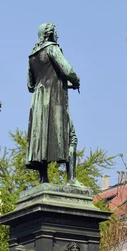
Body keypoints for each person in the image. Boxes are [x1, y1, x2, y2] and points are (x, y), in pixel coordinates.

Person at [26, 22, 81, 185]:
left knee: (41, 139)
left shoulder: (32, 56)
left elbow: (30, 85)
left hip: (38, 102)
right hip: (54, 101)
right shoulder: (52, 48)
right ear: (49, 34)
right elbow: (67, 70)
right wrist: (76, 80)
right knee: (72, 138)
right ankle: (71, 179)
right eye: (56, 32)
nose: (57, 36)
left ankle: (43, 178)